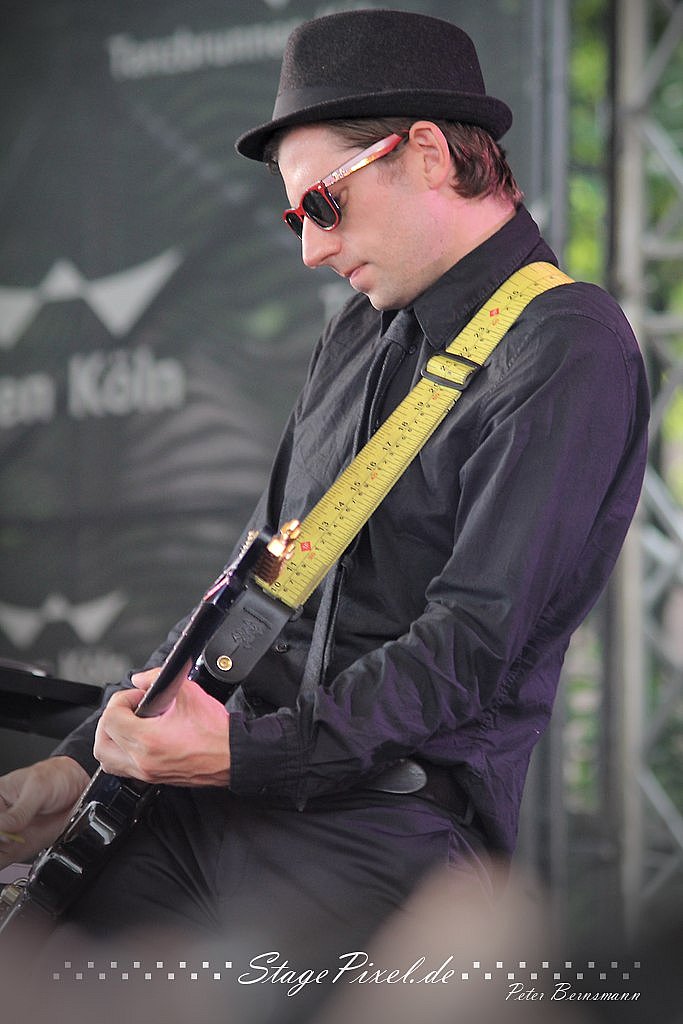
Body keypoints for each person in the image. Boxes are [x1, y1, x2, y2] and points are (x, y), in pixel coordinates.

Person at [0, 8, 648, 1021]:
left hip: (374, 833)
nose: (309, 248)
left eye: (323, 203)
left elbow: (470, 646)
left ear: (427, 152)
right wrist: (78, 763)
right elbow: (252, 585)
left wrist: (240, 754)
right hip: (207, 804)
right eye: (295, 218)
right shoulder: (358, 333)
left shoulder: (566, 343)